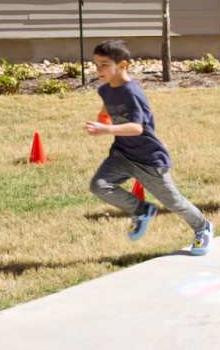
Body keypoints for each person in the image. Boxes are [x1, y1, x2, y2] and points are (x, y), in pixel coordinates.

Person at [86, 40, 213, 255]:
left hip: (148, 159)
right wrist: (103, 117)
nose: (99, 70)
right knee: (99, 185)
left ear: (123, 65)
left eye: (104, 65)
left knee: (174, 202)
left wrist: (106, 130)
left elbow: (136, 128)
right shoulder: (106, 89)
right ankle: (142, 210)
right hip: (122, 155)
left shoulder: (132, 93)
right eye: (96, 65)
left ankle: (203, 227)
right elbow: (107, 103)